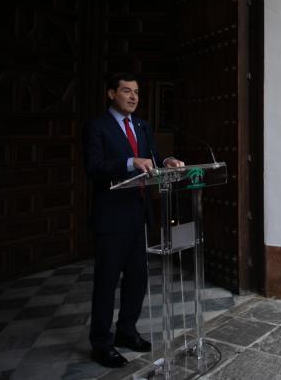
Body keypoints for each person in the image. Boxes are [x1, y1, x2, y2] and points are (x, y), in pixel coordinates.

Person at [83, 73, 185, 368]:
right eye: (126, 91)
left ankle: (127, 330)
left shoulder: (142, 125)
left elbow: (151, 156)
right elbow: (94, 166)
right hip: (111, 217)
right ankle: (101, 343)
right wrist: (130, 162)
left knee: (137, 279)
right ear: (111, 94)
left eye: (137, 92)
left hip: (138, 215)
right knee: (106, 282)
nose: (133, 97)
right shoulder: (97, 127)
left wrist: (165, 162)